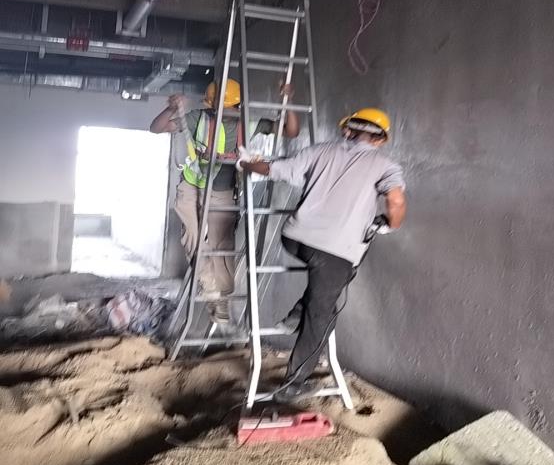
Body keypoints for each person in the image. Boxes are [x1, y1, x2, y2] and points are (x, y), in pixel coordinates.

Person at [238, 107, 406, 401]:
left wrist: (246, 164)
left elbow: (276, 169)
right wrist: (391, 225)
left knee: (329, 284)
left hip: (295, 239)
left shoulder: (321, 150)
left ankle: (296, 315)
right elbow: (395, 201)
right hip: (334, 252)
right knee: (322, 316)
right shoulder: (385, 165)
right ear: (380, 139)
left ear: (347, 129)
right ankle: (293, 383)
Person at [150, 78, 299, 320]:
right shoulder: (198, 119)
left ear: (240, 106)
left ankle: (222, 296)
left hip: (223, 192)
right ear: (210, 106)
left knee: (222, 245)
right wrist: (172, 108)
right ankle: (210, 288)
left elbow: (291, 131)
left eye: (233, 108)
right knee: (192, 236)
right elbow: (156, 128)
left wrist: (288, 101)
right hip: (192, 186)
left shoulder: (249, 124)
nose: (228, 113)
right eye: (223, 109)